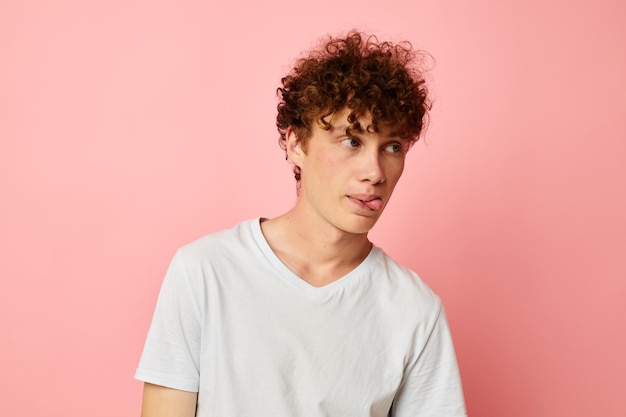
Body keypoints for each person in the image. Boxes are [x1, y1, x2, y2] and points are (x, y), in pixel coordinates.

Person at [135, 31, 467, 417]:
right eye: (351, 141)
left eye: (392, 147)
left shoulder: (415, 309)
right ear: (296, 144)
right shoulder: (205, 271)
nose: (374, 172)